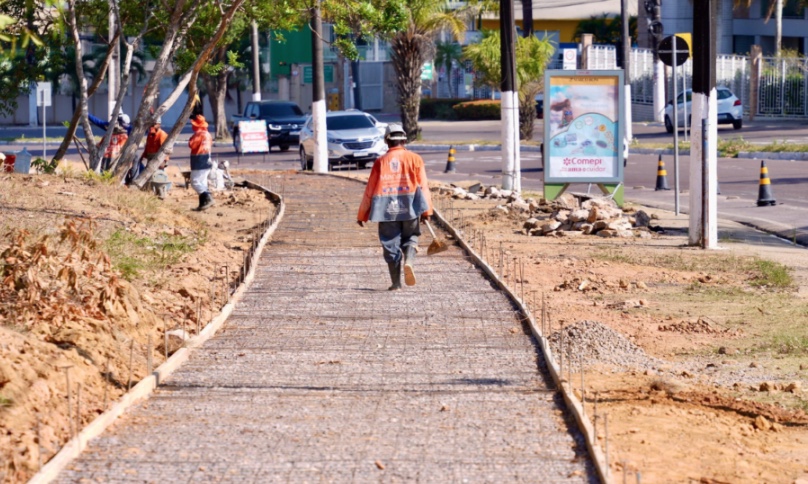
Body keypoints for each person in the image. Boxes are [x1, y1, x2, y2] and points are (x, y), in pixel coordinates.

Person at [357, 124, 433, 290]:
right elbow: (423, 186)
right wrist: (427, 210)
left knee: (390, 243)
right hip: (411, 207)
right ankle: (409, 261)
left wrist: (362, 214)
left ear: (387, 141)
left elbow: (370, 190)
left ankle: (396, 283)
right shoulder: (415, 159)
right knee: (411, 237)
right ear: (404, 140)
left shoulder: (380, 162)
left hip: (386, 210)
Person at [126, 117, 168, 185]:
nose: (151, 127)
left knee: (158, 176)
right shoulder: (150, 135)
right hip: (150, 159)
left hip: (158, 160)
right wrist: (142, 157)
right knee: (150, 176)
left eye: (153, 124)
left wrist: (164, 161)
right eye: (151, 125)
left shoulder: (162, 135)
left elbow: (165, 150)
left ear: (159, 124)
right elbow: (147, 148)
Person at [188, 114, 214, 211]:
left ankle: (208, 197)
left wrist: (192, 138)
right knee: (202, 183)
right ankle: (203, 204)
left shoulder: (199, 134)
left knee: (195, 182)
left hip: (199, 161)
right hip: (207, 160)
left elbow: (191, 145)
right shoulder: (208, 134)